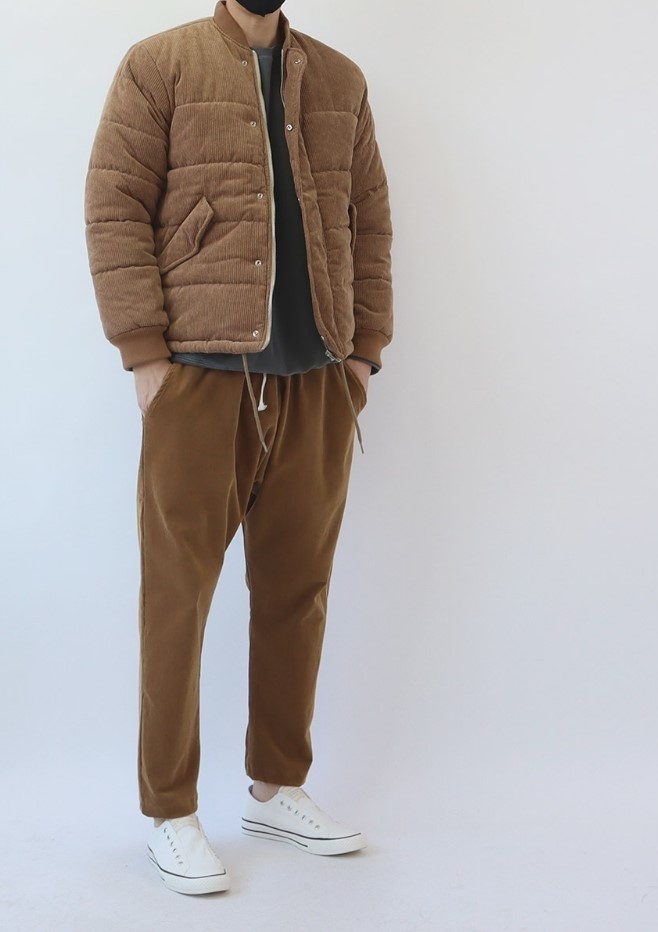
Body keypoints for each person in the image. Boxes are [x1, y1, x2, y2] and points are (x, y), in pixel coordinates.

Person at [84, 0, 393, 895]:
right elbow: (114, 204)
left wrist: (363, 354)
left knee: (299, 592)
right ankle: (169, 811)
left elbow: (370, 220)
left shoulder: (339, 78)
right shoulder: (160, 64)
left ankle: (275, 787)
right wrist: (146, 354)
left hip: (317, 376)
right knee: (176, 597)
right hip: (199, 375)